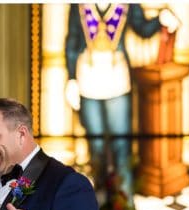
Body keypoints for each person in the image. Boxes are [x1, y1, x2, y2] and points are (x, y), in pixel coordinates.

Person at [65, 3, 180, 199]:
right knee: (96, 145)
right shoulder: (79, 5)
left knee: (121, 144)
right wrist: (71, 79)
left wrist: (161, 19)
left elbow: (142, 28)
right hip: (88, 80)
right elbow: (72, 42)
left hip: (117, 79)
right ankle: (99, 201)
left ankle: (125, 201)